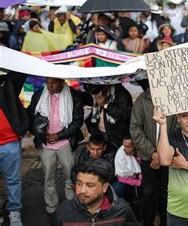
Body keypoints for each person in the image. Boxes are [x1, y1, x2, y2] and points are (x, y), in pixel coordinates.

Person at [27, 77, 84, 222]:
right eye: (47, 82)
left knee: (70, 176)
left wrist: (59, 136)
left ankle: (72, 205)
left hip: (65, 142)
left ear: (61, 82)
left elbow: (78, 120)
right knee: (48, 178)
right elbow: (31, 118)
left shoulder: (72, 95)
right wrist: (41, 134)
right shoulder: (39, 95)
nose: (49, 86)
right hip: (46, 144)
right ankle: (51, 208)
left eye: (53, 83)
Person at [129, 85, 168, 226]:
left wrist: (163, 154)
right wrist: (152, 153)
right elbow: (135, 128)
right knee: (149, 193)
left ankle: (165, 222)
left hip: (169, 158)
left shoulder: (174, 98)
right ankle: (148, 222)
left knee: (167, 193)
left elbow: (178, 127)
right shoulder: (142, 100)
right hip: (147, 158)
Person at [55, 159, 138, 225]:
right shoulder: (64, 211)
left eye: (90, 185)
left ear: (104, 187)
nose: (82, 190)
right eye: (79, 184)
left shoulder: (122, 210)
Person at [0, 71, 29, 225]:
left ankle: (14, 212)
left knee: (13, 180)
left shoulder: (6, 83)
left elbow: (20, 71)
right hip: (9, 145)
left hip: (9, 144)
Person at [83, 83, 133, 148]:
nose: (97, 95)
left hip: (117, 137)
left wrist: (107, 104)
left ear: (106, 86)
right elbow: (95, 114)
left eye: (99, 92)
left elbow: (126, 116)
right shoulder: (98, 95)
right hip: (100, 134)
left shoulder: (121, 94)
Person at [112, 137, 142, 202]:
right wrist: (139, 179)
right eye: (124, 146)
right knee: (117, 188)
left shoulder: (143, 152)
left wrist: (136, 176)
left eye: (128, 147)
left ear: (135, 145)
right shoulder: (121, 154)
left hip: (146, 183)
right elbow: (121, 177)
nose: (125, 149)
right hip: (130, 183)